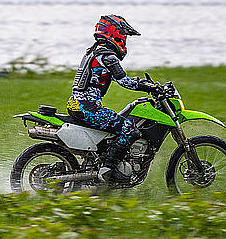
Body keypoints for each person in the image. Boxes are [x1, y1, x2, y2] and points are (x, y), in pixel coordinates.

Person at [67, 14, 158, 183]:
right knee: (130, 129)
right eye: (122, 36)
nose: (124, 40)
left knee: (115, 128)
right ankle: (108, 168)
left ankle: (103, 160)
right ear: (114, 34)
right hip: (88, 109)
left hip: (76, 104)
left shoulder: (93, 52)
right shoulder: (107, 56)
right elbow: (125, 81)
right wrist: (149, 86)